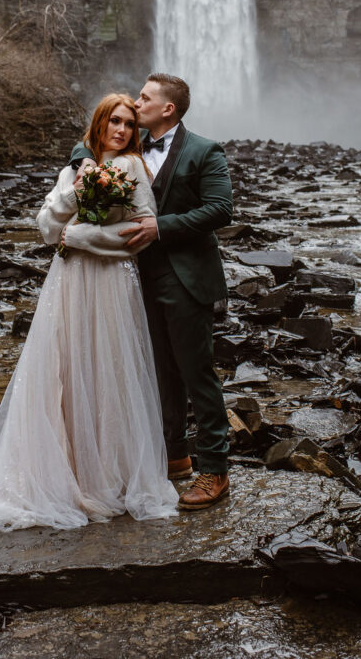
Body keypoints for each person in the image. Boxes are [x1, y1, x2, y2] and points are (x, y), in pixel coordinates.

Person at [0, 93, 177, 534]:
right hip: (69, 282)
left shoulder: (135, 168)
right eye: (113, 122)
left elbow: (141, 231)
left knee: (108, 370)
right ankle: (65, 472)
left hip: (113, 281)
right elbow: (45, 227)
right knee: (63, 367)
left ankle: (107, 474)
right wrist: (76, 191)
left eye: (129, 125)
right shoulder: (73, 170)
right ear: (98, 124)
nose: (121, 130)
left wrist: (80, 237)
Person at [70, 74, 233, 511]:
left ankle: (215, 470)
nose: (136, 103)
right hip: (137, 276)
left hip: (185, 276)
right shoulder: (133, 146)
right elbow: (91, 141)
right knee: (158, 372)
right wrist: (81, 162)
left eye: (145, 98)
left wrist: (161, 226)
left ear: (168, 110)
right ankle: (174, 455)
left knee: (196, 372)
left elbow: (221, 208)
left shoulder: (204, 150)